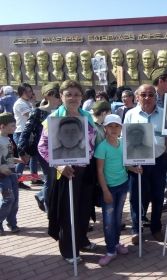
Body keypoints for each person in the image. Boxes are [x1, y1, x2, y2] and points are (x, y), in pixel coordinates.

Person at [38, 80, 97, 264]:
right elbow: (43, 147)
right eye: (68, 94)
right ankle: (68, 250)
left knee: (84, 208)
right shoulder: (53, 119)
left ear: (82, 97)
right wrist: (59, 166)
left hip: (86, 170)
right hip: (65, 172)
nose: (73, 98)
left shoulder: (87, 116)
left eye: (76, 94)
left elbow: (94, 140)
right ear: (61, 96)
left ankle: (80, 240)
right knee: (67, 212)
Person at [124, 84, 167, 244]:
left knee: (157, 196)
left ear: (156, 97)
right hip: (137, 162)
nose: (147, 98)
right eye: (143, 94)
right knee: (136, 197)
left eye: (151, 94)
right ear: (137, 97)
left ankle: (156, 227)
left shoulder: (164, 115)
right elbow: (125, 139)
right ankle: (136, 228)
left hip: (158, 161)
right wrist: (130, 163)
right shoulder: (130, 115)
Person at [94, 114, 132, 266]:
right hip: (108, 189)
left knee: (117, 218)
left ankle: (116, 244)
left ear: (121, 128)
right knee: (109, 221)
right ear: (105, 129)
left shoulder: (123, 143)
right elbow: (99, 171)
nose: (114, 129)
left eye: (117, 126)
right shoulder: (102, 147)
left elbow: (126, 164)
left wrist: (135, 169)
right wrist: (105, 191)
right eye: (110, 126)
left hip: (123, 186)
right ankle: (110, 251)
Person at [17, 82, 61, 212]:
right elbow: (26, 132)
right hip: (44, 150)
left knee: (56, 179)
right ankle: (49, 209)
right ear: (48, 95)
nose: (60, 97)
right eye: (58, 94)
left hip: (60, 149)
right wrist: (21, 150)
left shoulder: (62, 111)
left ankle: (41, 195)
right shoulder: (37, 112)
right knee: (50, 178)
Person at [13, 83, 38, 189]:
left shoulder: (27, 102)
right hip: (21, 133)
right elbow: (31, 116)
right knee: (24, 158)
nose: (29, 93)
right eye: (26, 91)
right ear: (20, 93)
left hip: (29, 133)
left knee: (34, 156)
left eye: (30, 91)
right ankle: (17, 180)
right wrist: (34, 104)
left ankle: (34, 178)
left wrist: (33, 103)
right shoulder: (20, 103)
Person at [0, 113, 22, 235]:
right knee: (8, 199)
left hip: (12, 172)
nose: (15, 128)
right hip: (3, 176)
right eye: (12, 126)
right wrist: (1, 168)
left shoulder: (8, 138)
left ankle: (12, 222)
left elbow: (7, 156)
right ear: (2, 126)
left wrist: (15, 159)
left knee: (15, 200)